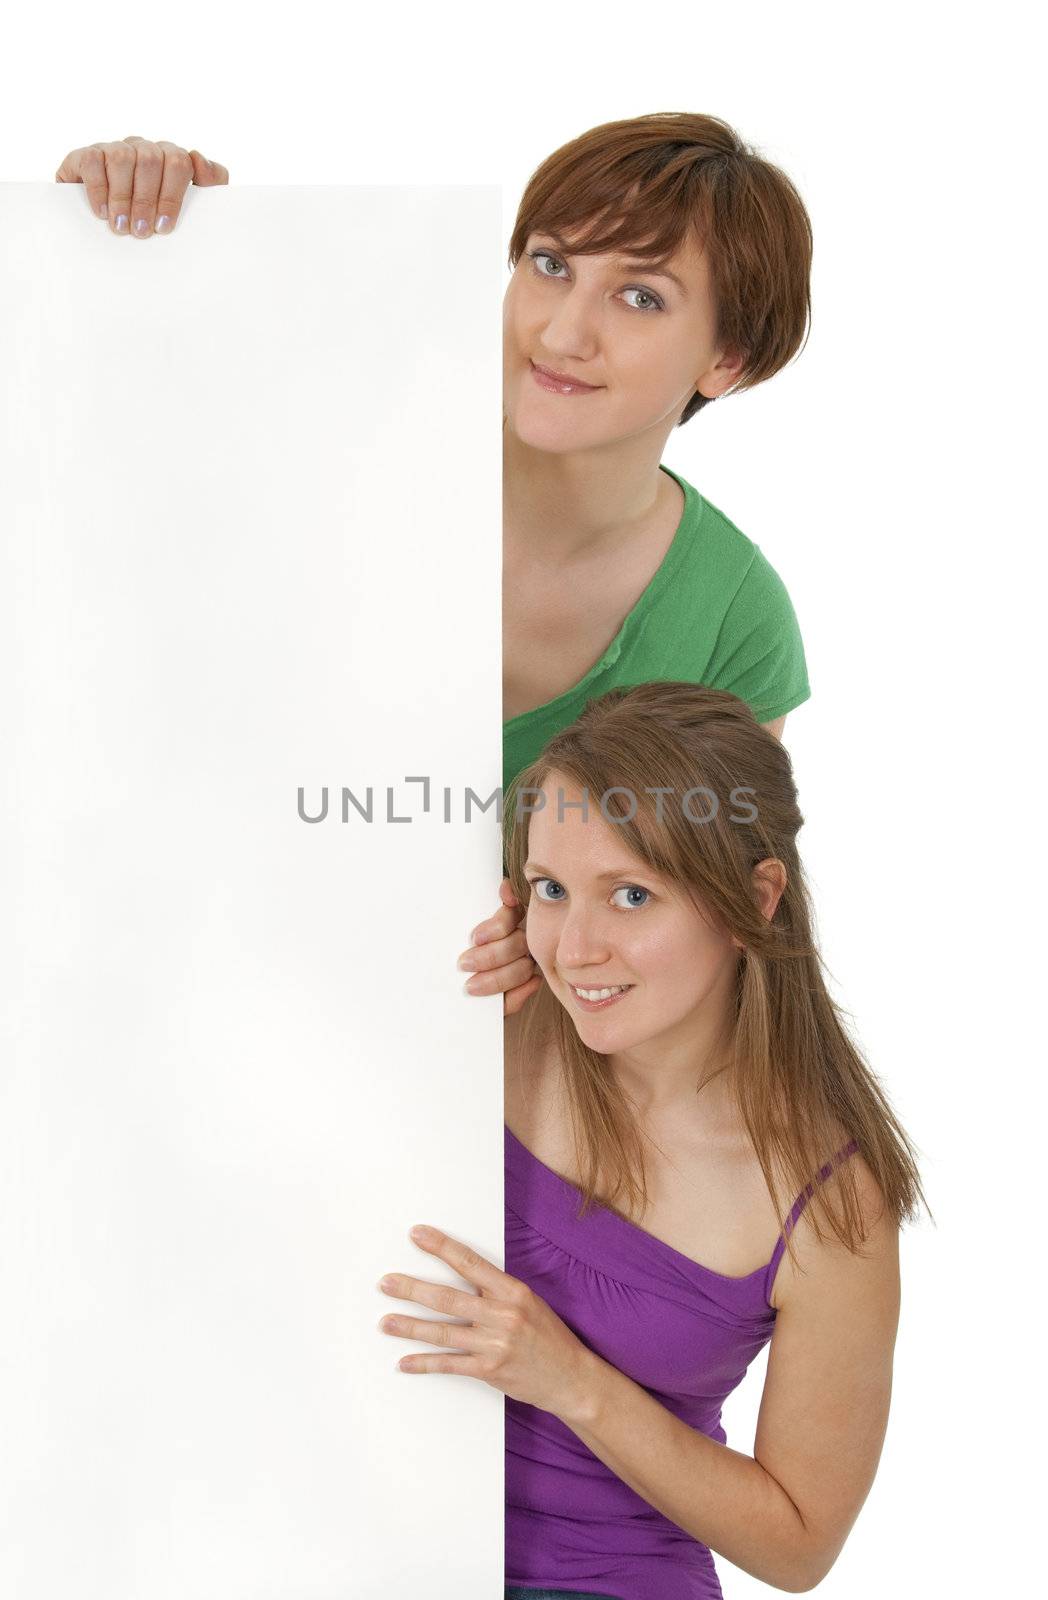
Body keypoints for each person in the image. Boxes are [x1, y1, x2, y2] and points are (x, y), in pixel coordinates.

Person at [52, 116, 817, 1017]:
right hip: (147, 999)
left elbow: (720, 938)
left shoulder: (734, 618)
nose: (564, 332)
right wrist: (115, 241)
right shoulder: (348, 445)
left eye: (640, 296)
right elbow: (101, 520)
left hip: (450, 1089)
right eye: (550, 263)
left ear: (727, 360)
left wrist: (553, 962)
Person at [378, 682, 926, 1599]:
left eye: (631, 895)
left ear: (754, 898)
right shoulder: (484, 1027)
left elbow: (798, 1548)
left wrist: (569, 1379)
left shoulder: (827, 1199)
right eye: (552, 890)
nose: (576, 947)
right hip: (357, 1538)